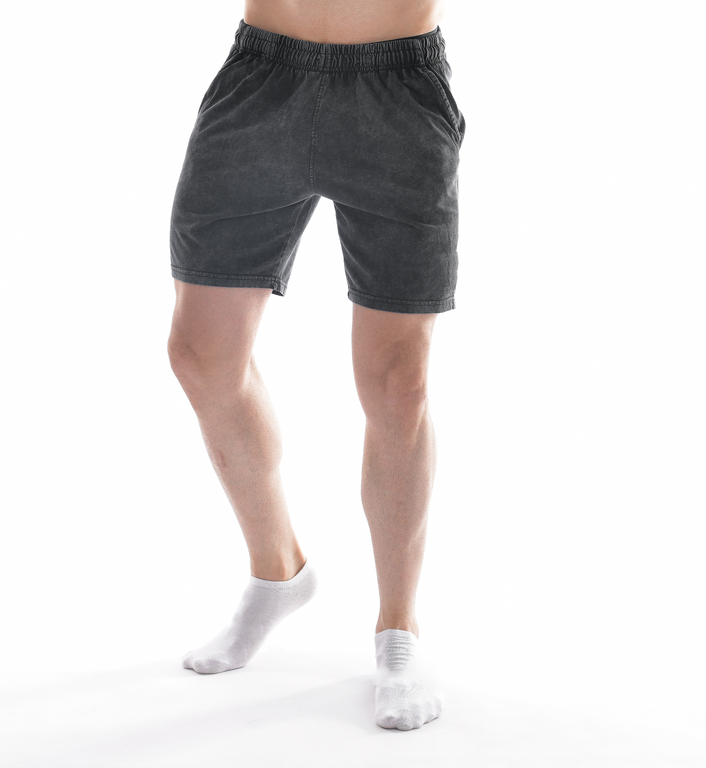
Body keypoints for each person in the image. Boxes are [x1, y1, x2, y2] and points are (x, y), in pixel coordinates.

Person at [167, 0, 464, 731]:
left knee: (399, 385)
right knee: (202, 355)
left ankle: (398, 630)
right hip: (263, 77)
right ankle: (277, 574)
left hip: (397, 89)